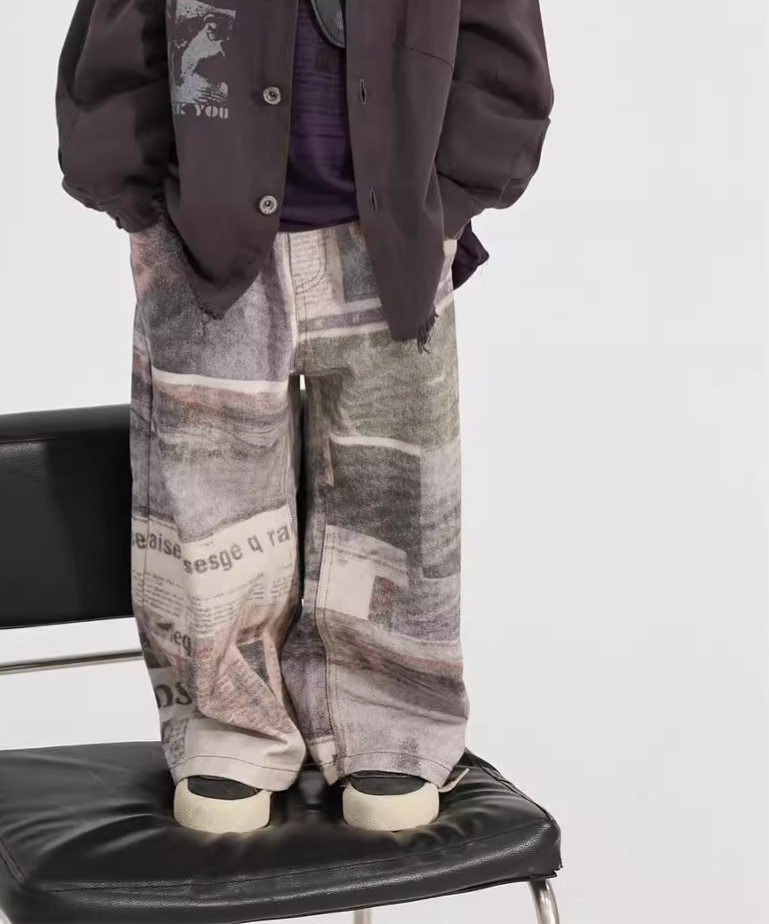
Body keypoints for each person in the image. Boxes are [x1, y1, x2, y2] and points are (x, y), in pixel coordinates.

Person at [55, 0, 553, 834]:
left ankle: (391, 724)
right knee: (210, 501)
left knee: (396, 497)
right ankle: (228, 729)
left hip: (392, 239)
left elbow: (501, 45)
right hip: (205, 241)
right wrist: (140, 208)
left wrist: (452, 197)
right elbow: (119, 35)